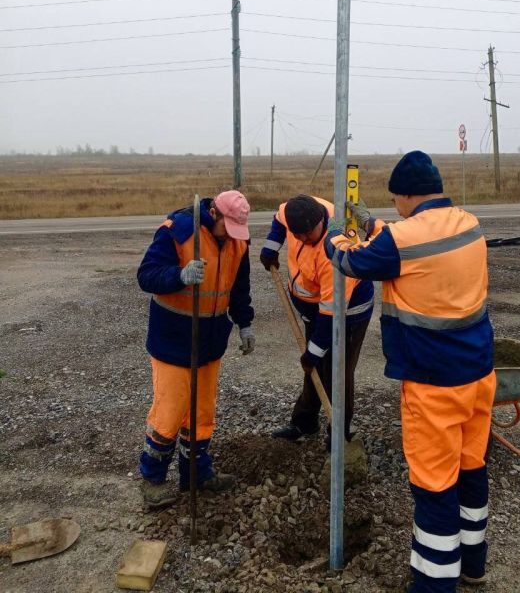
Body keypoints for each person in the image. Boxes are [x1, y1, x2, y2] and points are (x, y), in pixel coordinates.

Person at [325, 152, 495, 592]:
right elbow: (410, 243)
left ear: (405, 195)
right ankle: (473, 566)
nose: (396, 207)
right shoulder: (468, 222)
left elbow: (353, 263)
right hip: (479, 374)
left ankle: (435, 584)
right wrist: (375, 226)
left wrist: (336, 236)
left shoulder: (401, 240)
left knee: (434, 485)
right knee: (471, 468)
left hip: (433, 383)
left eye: (396, 200)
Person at [137, 190, 255, 508]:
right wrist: (180, 276)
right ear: (214, 213)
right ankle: (152, 479)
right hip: (173, 339)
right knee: (169, 414)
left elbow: (239, 288)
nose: (231, 237)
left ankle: (197, 475)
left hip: (211, 342)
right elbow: (145, 276)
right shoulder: (179, 230)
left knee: (202, 414)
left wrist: (245, 323)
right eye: (227, 228)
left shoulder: (239, 243)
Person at [260, 194, 374, 446]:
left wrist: (314, 350)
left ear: (319, 222)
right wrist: (271, 246)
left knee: (337, 371)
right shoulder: (297, 212)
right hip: (316, 309)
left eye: (306, 235)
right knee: (312, 366)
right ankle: (304, 422)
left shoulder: (335, 253)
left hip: (348, 314)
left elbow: (331, 317)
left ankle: (339, 433)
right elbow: (279, 220)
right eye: (296, 235)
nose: (301, 239)